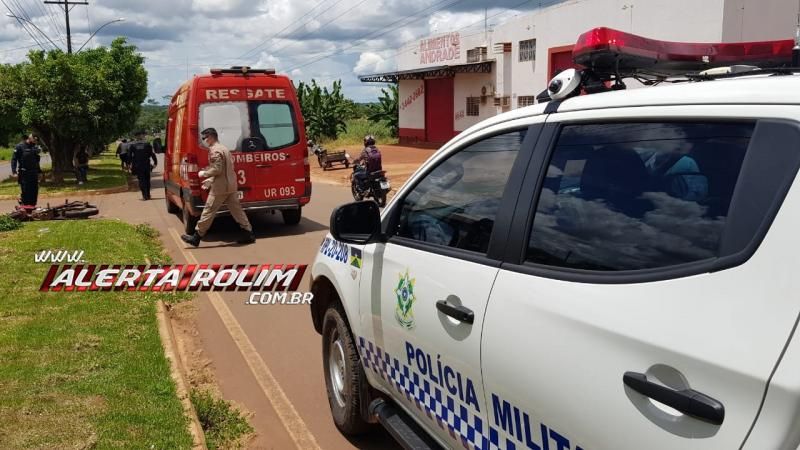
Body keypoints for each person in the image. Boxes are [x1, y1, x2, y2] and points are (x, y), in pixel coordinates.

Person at [181, 128, 255, 247]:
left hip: (220, 188)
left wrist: (204, 174)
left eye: (205, 138)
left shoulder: (215, 150)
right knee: (237, 210)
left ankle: (196, 237)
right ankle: (248, 233)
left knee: (208, 211)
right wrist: (211, 179)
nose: (204, 140)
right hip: (230, 185)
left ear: (211, 137)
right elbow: (227, 168)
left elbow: (217, 169)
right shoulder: (224, 148)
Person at [12, 134, 41, 206]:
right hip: (24, 173)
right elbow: (14, 160)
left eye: (36, 141)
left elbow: (36, 161)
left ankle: (32, 208)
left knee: (34, 191)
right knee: (26, 192)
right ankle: (25, 207)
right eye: (35, 140)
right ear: (30, 138)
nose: (35, 142)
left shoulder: (34, 147)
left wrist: (39, 172)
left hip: (34, 173)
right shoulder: (19, 146)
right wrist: (14, 172)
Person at [128, 131, 158, 200]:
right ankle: (147, 194)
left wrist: (129, 164)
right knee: (147, 180)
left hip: (137, 165)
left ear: (136, 137)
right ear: (141, 136)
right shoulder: (147, 144)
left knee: (141, 180)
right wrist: (155, 162)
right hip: (146, 165)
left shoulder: (133, 145)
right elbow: (152, 154)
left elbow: (129, 156)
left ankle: (144, 195)